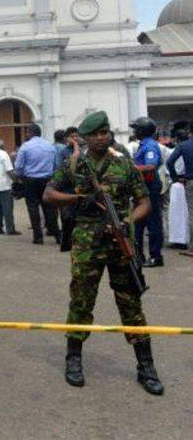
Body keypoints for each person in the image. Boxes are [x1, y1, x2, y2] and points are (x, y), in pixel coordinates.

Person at [43, 111, 163, 395]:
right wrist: (80, 198)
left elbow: (144, 201)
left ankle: (145, 365)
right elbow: (49, 194)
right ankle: (73, 359)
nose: (101, 137)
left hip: (121, 241)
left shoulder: (123, 164)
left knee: (130, 301)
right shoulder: (74, 165)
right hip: (87, 244)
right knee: (81, 300)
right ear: (84, 137)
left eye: (105, 132)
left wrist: (128, 222)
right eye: (95, 133)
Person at [14, 123, 59, 244]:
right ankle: (57, 234)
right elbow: (55, 165)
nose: (25, 134)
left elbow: (18, 167)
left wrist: (21, 176)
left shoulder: (25, 147)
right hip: (47, 180)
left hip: (31, 180)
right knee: (49, 208)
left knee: (33, 208)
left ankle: (38, 236)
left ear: (30, 133)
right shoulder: (50, 146)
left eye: (27, 132)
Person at [131, 117, 164, 267]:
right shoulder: (143, 145)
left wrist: (131, 168)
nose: (134, 131)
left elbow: (150, 166)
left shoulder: (150, 146)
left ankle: (156, 256)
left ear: (142, 130)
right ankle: (138, 256)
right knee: (138, 222)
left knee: (152, 222)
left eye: (136, 129)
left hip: (150, 186)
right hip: (141, 187)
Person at [166, 127, 193, 247]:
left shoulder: (184, 145)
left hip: (190, 181)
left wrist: (175, 178)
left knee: (192, 212)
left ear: (190, 133)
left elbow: (170, 162)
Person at [0, 141, 17, 236]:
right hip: (5, 185)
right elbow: (9, 170)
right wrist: (16, 180)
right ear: (3, 147)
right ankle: (10, 229)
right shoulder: (4, 154)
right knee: (8, 208)